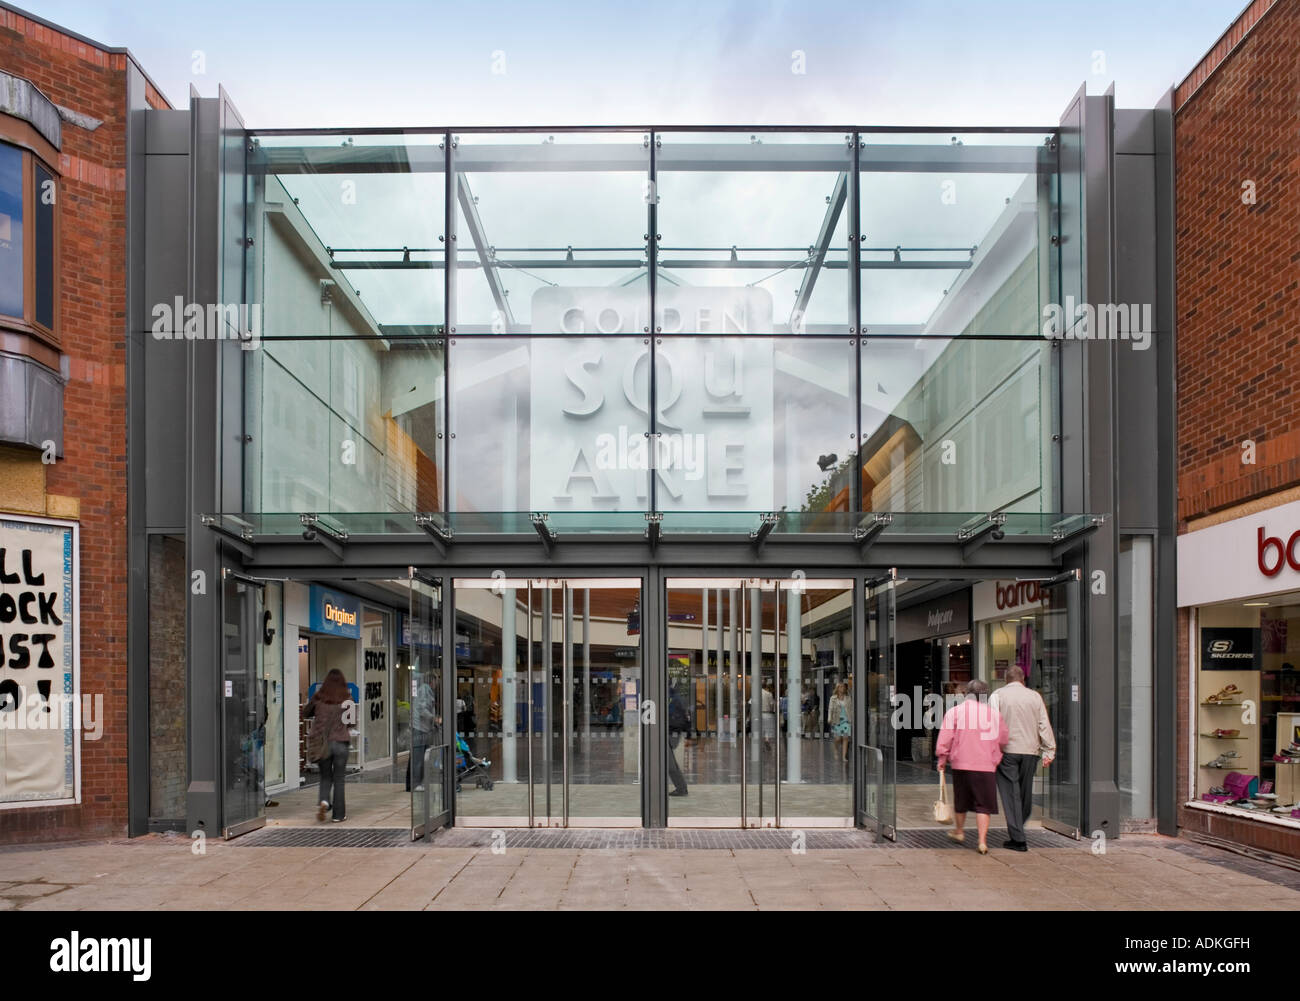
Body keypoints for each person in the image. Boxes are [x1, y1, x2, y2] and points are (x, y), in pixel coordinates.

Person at [935, 678, 1008, 855]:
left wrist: (942, 758)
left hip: (961, 763)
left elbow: (946, 738)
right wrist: (996, 756)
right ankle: (982, 841)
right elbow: (1003, 739)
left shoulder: (955, 712)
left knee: (961, 800)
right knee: (983, 805)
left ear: (967, 693)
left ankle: (959, 831)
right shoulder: (992, 714)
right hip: (985, 765)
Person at [988, 665, 1056, 851]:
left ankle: (1018, 839)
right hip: (1030, 752)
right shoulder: (1035, 696)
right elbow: (1044, 723)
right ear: (1023, 680)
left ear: (1005, 680)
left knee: (1011, 794)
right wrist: (1049, 750)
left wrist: (991, 750)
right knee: (1025, 794)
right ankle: (1019, 827)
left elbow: (993, 724)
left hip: (1007, 751)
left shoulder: (997, 695)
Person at [305, 668, 354, 823]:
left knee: (325, 776)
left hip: (323, 744)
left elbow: (305, 713)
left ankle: (325, 801)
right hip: (341, 744)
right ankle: (339, 815)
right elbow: (351, 722)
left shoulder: (318, 698)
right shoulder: (348, 699)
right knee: (339, 778)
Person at [667, 682, 690, 797]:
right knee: (670, 763)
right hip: (672, 732)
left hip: (672, 733)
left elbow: (680, 717)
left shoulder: (673, 698)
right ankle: (681, 788)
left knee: (669, 763)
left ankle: (681, 789)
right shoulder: (672, 697)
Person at [827, 682, 852, 762]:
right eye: (840, 687)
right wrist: (829, 718)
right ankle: (836, 750)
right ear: (837, 688)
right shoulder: (833, 698)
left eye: (843, 687)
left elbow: (851, 709)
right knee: (837, 738)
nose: (842, 688)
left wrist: (851, 719)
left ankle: (844, 757)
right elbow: (830, 709)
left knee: (845, 738)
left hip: (846, 720)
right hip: (836, 720)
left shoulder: (848, 698)